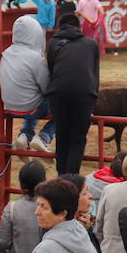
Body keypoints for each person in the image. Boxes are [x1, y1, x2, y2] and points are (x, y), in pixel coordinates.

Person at [45, 12, 100, 175]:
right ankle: (72, 179)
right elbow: (95, 73)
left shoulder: (53, 43)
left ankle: (62, 176)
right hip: (84, 93)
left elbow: (51, 69)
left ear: (59, 26)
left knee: (62, 135)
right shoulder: (91, 44)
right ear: (79, 26)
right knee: (78, 138)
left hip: (58, 93)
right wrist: (93, 98)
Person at [0, 16, 55, 153]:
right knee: (64, 107)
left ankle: (26, 135)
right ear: (36, 34)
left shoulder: (6, 53)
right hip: (30, 108)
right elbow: (47, 87)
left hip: (10, 107)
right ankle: (44, 136)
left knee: (32, 98)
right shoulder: (35, 58)